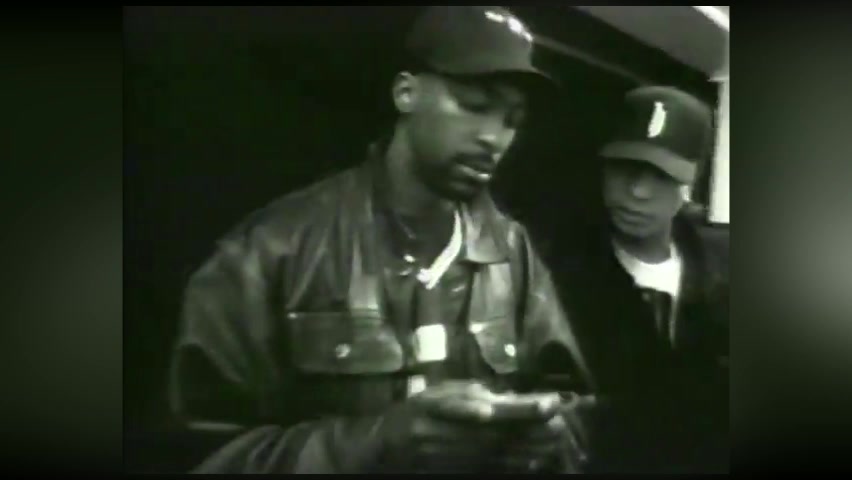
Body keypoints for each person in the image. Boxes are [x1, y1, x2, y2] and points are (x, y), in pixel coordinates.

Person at [167, 6, 596, 474]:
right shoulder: (271, 248)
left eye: (512, 119)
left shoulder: (512, 252)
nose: (494, 137)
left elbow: (574, 408)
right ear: (406, 92)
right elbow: (199, 455)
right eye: (474, 105)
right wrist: (374, 443)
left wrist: (551, 435)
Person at [553, 85, 729, 473]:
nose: (638, 191)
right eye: (625, 168)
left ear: (689, 184)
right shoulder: (552, 275)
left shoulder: (725, 272)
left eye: (661, 175)